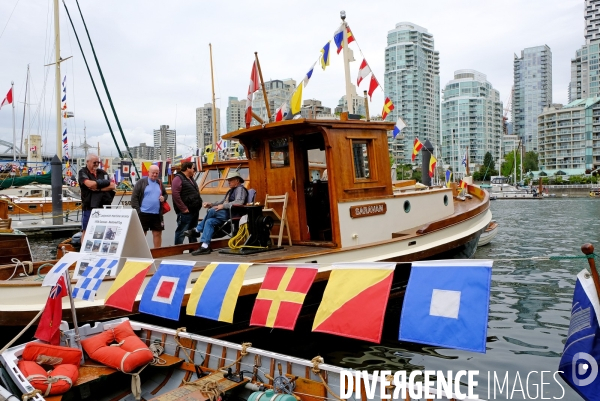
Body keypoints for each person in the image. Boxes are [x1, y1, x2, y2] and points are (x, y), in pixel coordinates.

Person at [185, 170, 248, 255]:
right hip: (227, 213)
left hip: (233, 214)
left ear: (237, 181)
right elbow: (222, 202)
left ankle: (197, 230)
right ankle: (205, 246)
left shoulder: (240, 189)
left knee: (212, 211)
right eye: (228, 180)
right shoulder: (231, 191)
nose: (228, 182)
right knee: (209, 221)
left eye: (230, 180)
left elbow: (239, 202)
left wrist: (223, 206)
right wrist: (211, 204)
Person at [78, 153, 116, 237]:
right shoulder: (82, 172)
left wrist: (98, 188)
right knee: (86, 230)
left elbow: (112, 185)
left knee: (105, 229)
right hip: (89, 206)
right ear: (87, 162)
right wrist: (104, 184)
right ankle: (83, 249)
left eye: (97, 162)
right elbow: (89, 184)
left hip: (104, 205)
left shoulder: (103, 172)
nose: (96, 164)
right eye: (94, 162)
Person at [131, 165, 168, 248]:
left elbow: (165, 194)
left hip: (157, 214)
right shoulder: (141, 182)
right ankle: (140, 253)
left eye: (156, 173)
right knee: (142, 235)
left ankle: (157, 253)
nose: (155, 175)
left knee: (158, 233)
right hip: (143, 213)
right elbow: (134, 198)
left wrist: (164, 198)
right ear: (148, 172)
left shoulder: (160, 183)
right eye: (153, 173)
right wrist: (138, 211)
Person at [172, 161, 202, 245]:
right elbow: (175, 195)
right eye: (193, 168)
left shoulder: (191, 178)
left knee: (193, 231)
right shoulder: (178, 178)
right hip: (185, 211)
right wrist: (183, 208)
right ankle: (178, 249)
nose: (194, 170)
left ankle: (193, 248)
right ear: (187, 168)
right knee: (181, 231)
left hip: (194, 210)